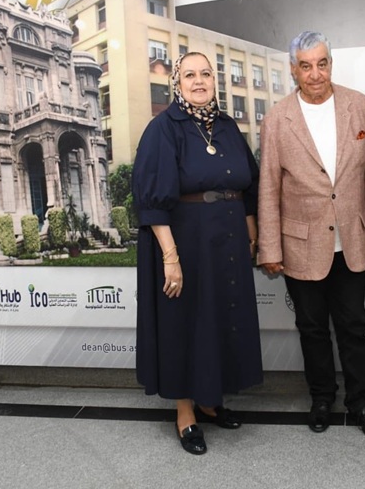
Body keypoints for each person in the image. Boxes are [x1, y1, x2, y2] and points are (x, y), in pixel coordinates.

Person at [257, 31, 365, 440]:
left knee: (354, 326)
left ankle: (361, 402)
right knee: (312, 329)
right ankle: (321, 398)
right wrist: (270, 247)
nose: (316, 74)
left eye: (322, 63)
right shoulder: (278, 117)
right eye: (306, 65)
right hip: (300, 245)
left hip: (351, 239)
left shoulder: (358, 105)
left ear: (332, 63)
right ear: (293, 69)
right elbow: (268, 189)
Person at [132, 51, 263, 456]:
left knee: (221, 318)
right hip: (184, 241)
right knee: (185, 321)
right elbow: (151, 202)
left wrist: (252, 230)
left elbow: (247, 185)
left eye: (206, 73)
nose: (200, 81)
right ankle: (185, 412)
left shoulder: (227, 127)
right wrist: (170, 256)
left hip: (227, 240)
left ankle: (211, 400)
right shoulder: (163, 128)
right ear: (177, 82)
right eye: (190, 74)